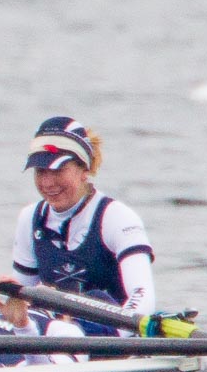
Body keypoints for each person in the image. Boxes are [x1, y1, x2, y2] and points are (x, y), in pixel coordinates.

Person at [11, 116, 156, 315]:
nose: (48, 183)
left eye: (58, 170)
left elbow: (143, 296)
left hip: (111, 333)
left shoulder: (117, 217)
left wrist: (115, 335)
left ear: (84, 170)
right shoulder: (29, 218)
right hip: (57, 334)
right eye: (40, 171)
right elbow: (22, 300)